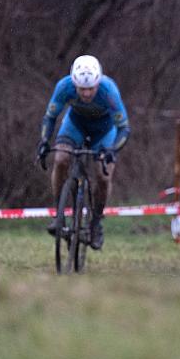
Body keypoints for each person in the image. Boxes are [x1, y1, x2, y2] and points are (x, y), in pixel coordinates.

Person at [37, 55, 130, 250]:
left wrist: (112, 150)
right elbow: (50, 117)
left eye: (91, 89)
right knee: (61, 159)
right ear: (74, 84)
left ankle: (95, 223)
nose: (86, 94)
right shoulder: (64, 87)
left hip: (104, 132)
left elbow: (124, 128)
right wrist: (45, 141)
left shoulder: (108, 91)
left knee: (103, 176)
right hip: (75, 126)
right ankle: (59, 214)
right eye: (82, 89)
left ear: (98, 83)